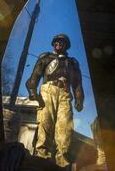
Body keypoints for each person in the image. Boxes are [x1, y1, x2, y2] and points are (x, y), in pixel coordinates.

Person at [26, 34, 84, 167]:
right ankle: (41, 161)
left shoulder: (72, 63)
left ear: (66, 45)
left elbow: (77, 83)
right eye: (56, 41)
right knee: (45, 125)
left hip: (65, 93)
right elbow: (35, 75)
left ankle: (62, 164)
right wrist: (33, 91)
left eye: (62, 41)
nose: (58, 43)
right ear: (53, 44)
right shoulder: (45, 57)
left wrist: (79, 99)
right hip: (48, 90)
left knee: (65, 129)